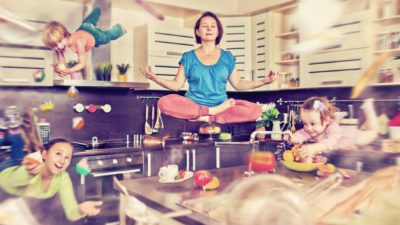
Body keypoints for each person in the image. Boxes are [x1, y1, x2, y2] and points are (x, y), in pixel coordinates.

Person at [141, 11, 277, 124]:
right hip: (194, 106)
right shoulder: (188, 57)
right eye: (205, 26)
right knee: (164, 102)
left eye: (213, 26)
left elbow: (238, 84)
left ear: (218, 32)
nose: (209, 29)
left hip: (223, 107)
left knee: (255, 110)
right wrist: (155, 78)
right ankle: (210, 113)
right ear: (197, 32)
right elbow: (176, 85)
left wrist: (263, 81)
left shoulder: (227, 57)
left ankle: (210, 117)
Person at [0, 138, 103, 221]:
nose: (62, 161)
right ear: (45, 155)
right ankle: (15, 137)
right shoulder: (34, 169)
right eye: (58, 154)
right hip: (5, 172)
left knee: (18, 154)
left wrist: (80, 209)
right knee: (16, 148)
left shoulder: (63, 177)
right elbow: (12, 181)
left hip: (16, 189)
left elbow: (72, 213)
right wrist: (29, 173)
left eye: (67, 157)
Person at [42, 7, 125, 78]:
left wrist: (69, 71)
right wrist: (60, 68)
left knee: (107, 37)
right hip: (84, 28)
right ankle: (97, 10)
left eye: (60, 41)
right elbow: (62, 61)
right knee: (89, 21)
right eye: (55, 45)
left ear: (65, 34)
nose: (59, 46)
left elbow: (82, 64)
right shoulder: (60, 45)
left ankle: (120, 29)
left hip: (95, 37)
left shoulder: (79, 43)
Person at [287, 96, 377, 160]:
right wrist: (294, 138)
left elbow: (329, 142)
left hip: (353, 137)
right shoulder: (310, 130)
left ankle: (368, 108)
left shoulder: (333, 128)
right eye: (305, 124)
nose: (308, 128)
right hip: (341, 149)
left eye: (313, 124)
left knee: (372, 133)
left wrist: (314, 148)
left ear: (326, 120)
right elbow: (302, 133)